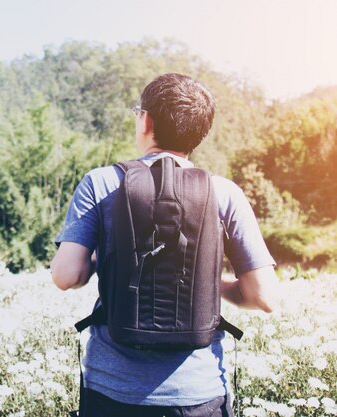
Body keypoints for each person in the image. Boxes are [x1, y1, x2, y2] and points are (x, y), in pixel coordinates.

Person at [51, 73, 279, 417]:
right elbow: (263, 296)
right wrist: (205, 282)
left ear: (146, 120)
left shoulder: (100, 183)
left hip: (113, 392)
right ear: (201, 132)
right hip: (199, 394)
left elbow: (66, 276)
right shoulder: (225, 192)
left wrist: (112, 264)